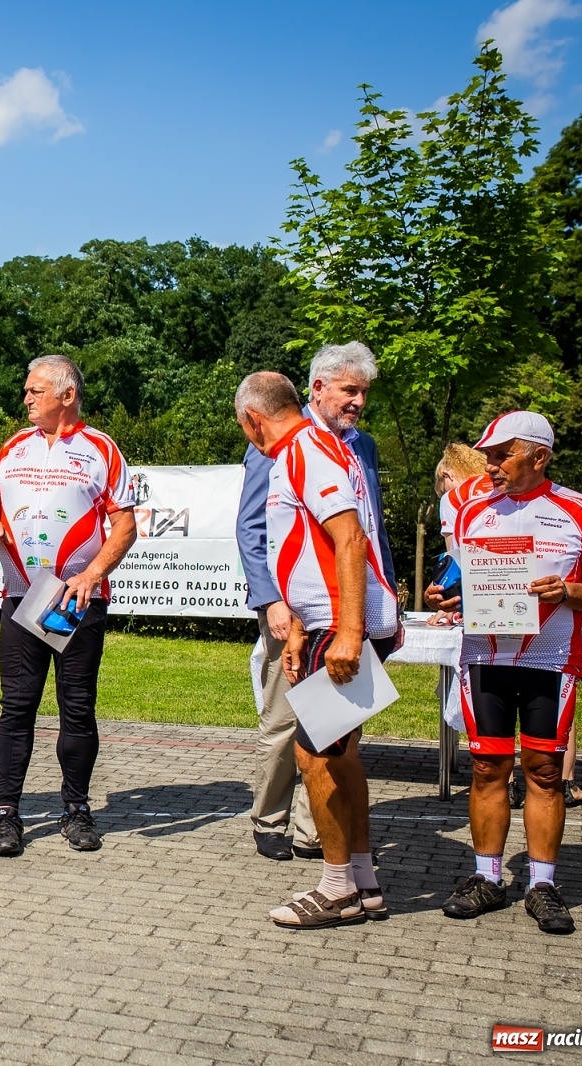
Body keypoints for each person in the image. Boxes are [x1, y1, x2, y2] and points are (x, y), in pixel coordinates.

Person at [425, 411, 582, 936]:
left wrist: (568, 591)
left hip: (549, 661)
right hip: (484, 659)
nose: (489, 464)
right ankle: (486, 876)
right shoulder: (470, 511)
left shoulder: (581, 511)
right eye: (486, 454)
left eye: (500, 453)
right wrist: (447, 596)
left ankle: (542, 884)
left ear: (538, 455)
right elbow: (463, 581)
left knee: (544, 771)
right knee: (487, 770)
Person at [234, 370, 400, 928]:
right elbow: (302, 549)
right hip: (323, 621)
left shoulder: (305, 449)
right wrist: (300, 626)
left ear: (253, 420)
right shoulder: (309, 448)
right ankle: (363, 880)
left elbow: (350, 538)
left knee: (315, 754)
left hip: (342, 622)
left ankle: (337, 890)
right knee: (339, 751)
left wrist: (349, 632)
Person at [0, 355, 138, 858]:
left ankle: (76, 808)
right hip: (22, 596)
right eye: (27, 391)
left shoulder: (101, 450)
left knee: (77, 708)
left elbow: (126, 527)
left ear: (67, 395)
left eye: (35, 391)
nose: (25, 398)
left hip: (75, 599)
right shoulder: (12, 448)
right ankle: (6, 814)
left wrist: (92, 574)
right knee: (16, 708)